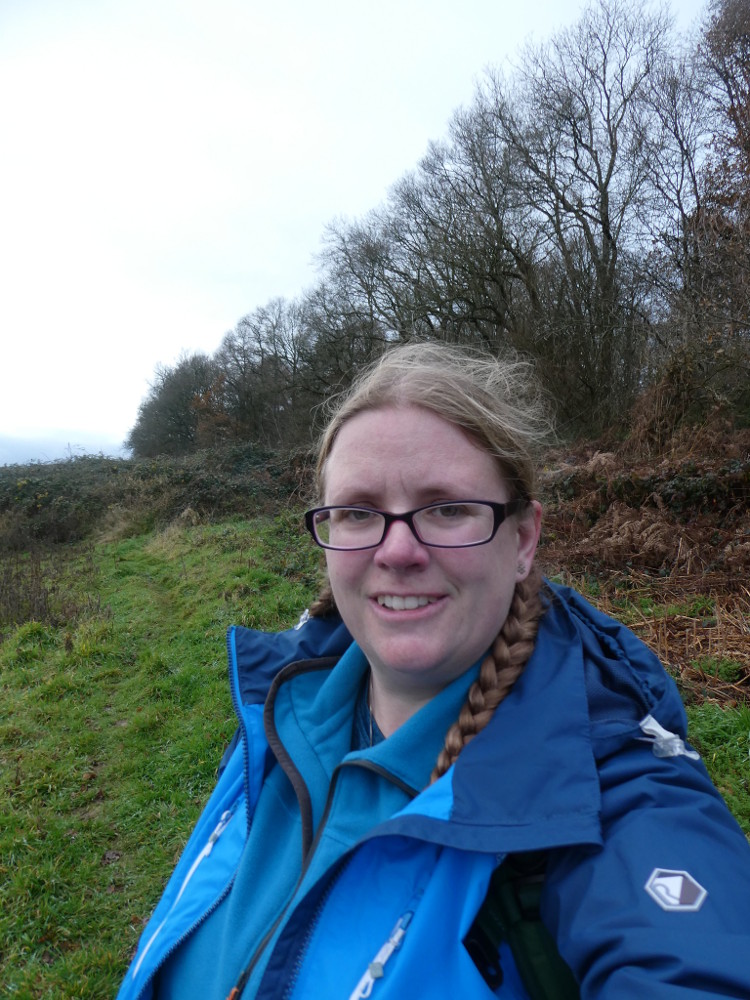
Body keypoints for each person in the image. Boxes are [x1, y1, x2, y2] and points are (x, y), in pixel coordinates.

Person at [117, 342, 750, 1000]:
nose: (397, 551)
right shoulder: (279, 710)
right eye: (359, 512)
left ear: (524, 539)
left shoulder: (612, 802)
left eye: (446, 508)